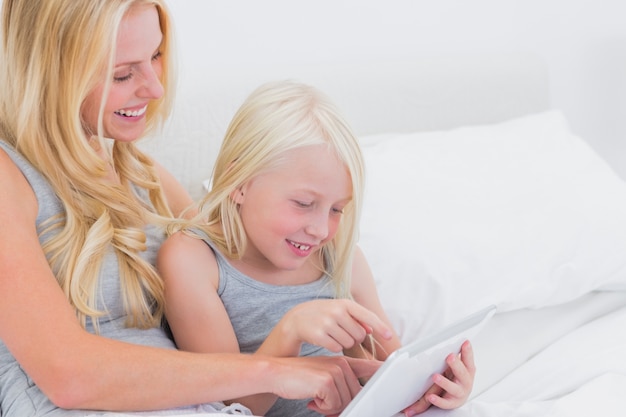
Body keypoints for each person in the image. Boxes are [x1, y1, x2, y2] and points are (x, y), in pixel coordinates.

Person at [0, 1, 384, 416]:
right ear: (49, 72)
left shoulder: (141, 174)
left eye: (156, 56)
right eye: (123, 73)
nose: (155, 88)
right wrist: (273, 370)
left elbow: (236, 267)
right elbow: (67, 377)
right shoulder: (10, 177)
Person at [158, 80, 476, 417]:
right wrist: (291, 330)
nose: (321, 230)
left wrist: (439, 387)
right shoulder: (194, 261)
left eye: (337, 209)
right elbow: (229, 407)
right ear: (240, 183)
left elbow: (394, 369)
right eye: (304, 203)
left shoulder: (338, 257)